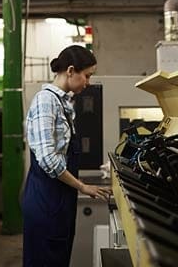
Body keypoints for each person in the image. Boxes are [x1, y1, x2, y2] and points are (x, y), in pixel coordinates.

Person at [22, 45, 112, 267]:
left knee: (59, 258)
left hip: (60, 198)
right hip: (47, 198)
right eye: (87, 75)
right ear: (71, 70)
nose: (88, 82)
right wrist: (82, 187)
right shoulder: (45, 101)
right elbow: (48, 160)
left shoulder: (62, 102)